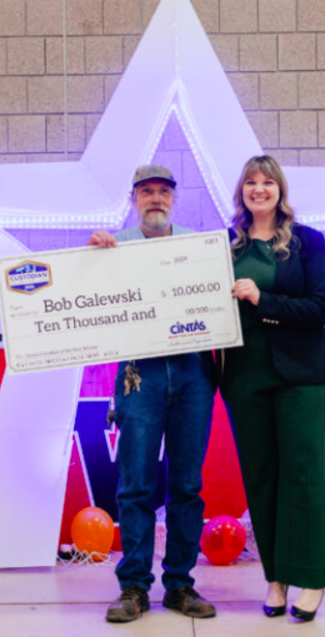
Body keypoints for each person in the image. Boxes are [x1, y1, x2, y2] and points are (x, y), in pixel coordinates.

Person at [89, 164, 218, 623]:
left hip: (192, 372)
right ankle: (133, 588)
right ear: (134, 200)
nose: (156, 199)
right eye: (147, 192)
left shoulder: (198, 247)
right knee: (136, 484)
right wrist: (91, 261)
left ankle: (181, 585)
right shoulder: (113, 247)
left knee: (187, 485)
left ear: (174, 200)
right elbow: (87, 296)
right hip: (138, 375)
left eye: (164, 192)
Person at [218, 155, 325, 622]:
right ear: (241, 191)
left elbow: (320, 307)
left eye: (267, 181)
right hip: (244, 375)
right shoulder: (225, 245)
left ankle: (310, 579)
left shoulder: (308, 241)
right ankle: (276, 578)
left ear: (280, 190)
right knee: (262, 478)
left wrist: (262, 300)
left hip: (304, 377)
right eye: (250, 181)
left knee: (303, 478)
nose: (259, 189)